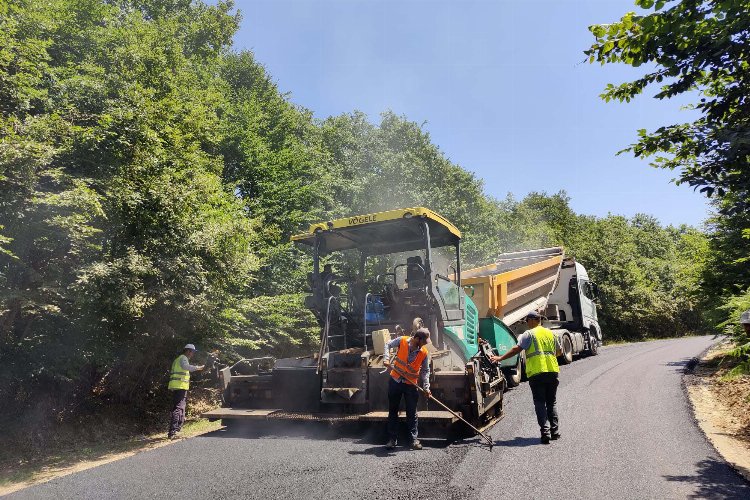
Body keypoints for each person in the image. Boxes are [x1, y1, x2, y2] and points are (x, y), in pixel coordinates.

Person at [490, 311, 563, 444]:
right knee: (551, 402)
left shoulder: (529, 334)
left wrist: (500, 358)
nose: (527, 323)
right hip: (552, 372)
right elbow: (559, 352)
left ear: (533, 320)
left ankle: (545, 433)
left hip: (537, 373)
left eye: (527, 320)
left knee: (540, 402)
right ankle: (555, 432)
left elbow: (516, 349)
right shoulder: (551, 333)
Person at [383, 327, 431, 450]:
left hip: (411, 385)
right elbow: (387, 344)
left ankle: (414, 440)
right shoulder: (402, 341)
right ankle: (392, 440)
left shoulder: (424, 353)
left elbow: (425, 371)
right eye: (424, 341)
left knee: (412, 413)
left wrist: (426, 387)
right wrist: (386, 358)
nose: (425, 344)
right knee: (393, 411)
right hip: (395, 381)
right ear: (417, 338)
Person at [167, 344, 205, 439]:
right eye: (192, 352)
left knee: (181, 407)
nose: (193, 354)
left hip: (177, 386)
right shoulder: (183, 358)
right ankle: (173, 431)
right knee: (179, 408)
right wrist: (199, 367)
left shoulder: (177, 359)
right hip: (180, 386)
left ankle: (177, 428)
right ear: (188, 351)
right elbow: (186, 367)